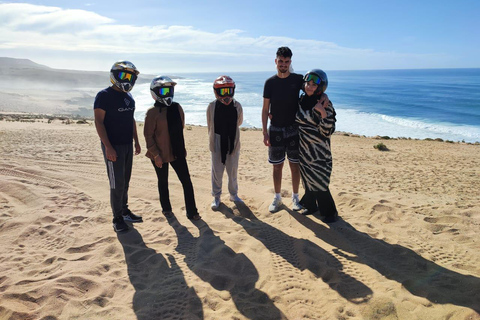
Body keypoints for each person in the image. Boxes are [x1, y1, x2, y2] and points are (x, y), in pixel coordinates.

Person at [94, 60, 143, 233]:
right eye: (123, 75)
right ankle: (117, 218)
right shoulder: (104, 96)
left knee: (125, 180)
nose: (127, 79)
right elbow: (99, 122)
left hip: (127, 144)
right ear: (114, 75)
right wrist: (108, 147)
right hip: (112, 145)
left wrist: (136, 141)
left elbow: (131, 120)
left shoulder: (129, 97)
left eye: (130, 76)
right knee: (116, 183)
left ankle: (124, 210)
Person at [144, 75, 201, 221]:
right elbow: (148, 136)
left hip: (177, 152)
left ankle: (192, 211)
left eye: (169, 91)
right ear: (155, 93)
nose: (167, 94)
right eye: (163, 92)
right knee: (163, 181)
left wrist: (181, 148)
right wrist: (156, 154)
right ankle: (167, 209)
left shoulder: (177, 107)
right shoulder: (152, 112)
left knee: (186, 181)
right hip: (159, 154)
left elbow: (180, 128)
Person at [262, 46, 303, 212]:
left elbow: (313, 90)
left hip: (294, 129)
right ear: (276, 61)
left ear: (290, 62)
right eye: (280, 61)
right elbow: (265, 109)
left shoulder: (298, 79)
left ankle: (295, 198)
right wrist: (265, 132)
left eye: (286, 62)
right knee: (277, 166)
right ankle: (277, 198)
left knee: (295, 165)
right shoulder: (270, 83)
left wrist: (324, 96)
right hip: (276, 129)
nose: (283, 64)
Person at [296, 69, 338, 223]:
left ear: (321, 87)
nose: (310, 86)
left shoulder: (324, 104)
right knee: (307, 181)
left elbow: (328, 131)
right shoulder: (301, 101)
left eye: (314, 85)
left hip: (320, 153)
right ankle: (311, 206)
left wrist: (323, 113)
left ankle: (330, 213)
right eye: (308, 83)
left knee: (320, 183)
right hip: (304, 151)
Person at [207, 75, 243, 210]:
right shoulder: (212, 106)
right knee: (217, 171)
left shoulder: (237, 105)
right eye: (223, 91)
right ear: (216, 92)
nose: (226, 95)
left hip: (233, 141)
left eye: (229, 91)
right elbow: (210, 124)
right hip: (217, 141)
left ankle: (233, 194)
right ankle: (216, 196)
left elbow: (239, 122)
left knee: (232, 170)